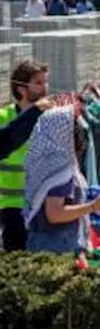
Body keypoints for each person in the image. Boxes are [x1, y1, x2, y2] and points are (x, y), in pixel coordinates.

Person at [23, 107, 100, 254]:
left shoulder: (42, 162)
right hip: (57, 246)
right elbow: (54, 214)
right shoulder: (60, 169)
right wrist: (93, 207)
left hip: (39, 241)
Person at [0, 60, 51, 252]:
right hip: (12, 205)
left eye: (45, 82)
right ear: (21, 89)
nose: (44, 88)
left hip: (44, 203)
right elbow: (8, 140)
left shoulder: (50, 117)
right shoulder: (4, 117)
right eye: (38, 83)